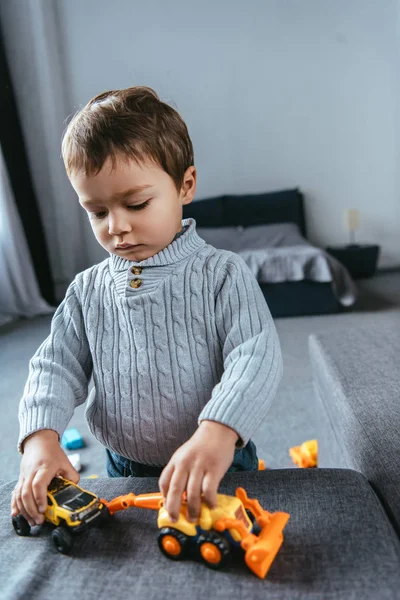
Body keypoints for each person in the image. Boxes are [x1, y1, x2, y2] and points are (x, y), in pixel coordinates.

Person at [11, 86, 282, 529]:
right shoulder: (86, 290)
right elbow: (54, 365)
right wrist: (41, 437)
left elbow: (256, 355)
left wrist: (220, 429)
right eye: (96, 211)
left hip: (216, 462)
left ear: (185, 186)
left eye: (136, 204)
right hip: (123, 467)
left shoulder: (222, 274)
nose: (116, 227)